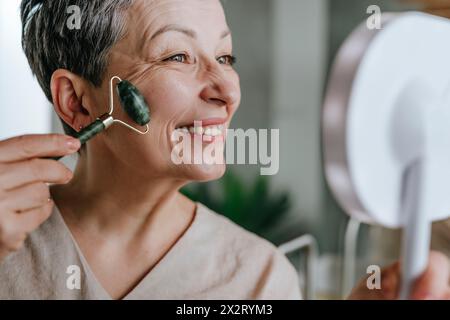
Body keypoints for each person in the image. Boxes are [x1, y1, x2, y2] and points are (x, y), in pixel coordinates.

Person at [0, 0, 448, 300]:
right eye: (178, 56)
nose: (226, 91)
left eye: (226, 57)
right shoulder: (8, 247)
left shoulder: (259, 280)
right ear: (77, 102)